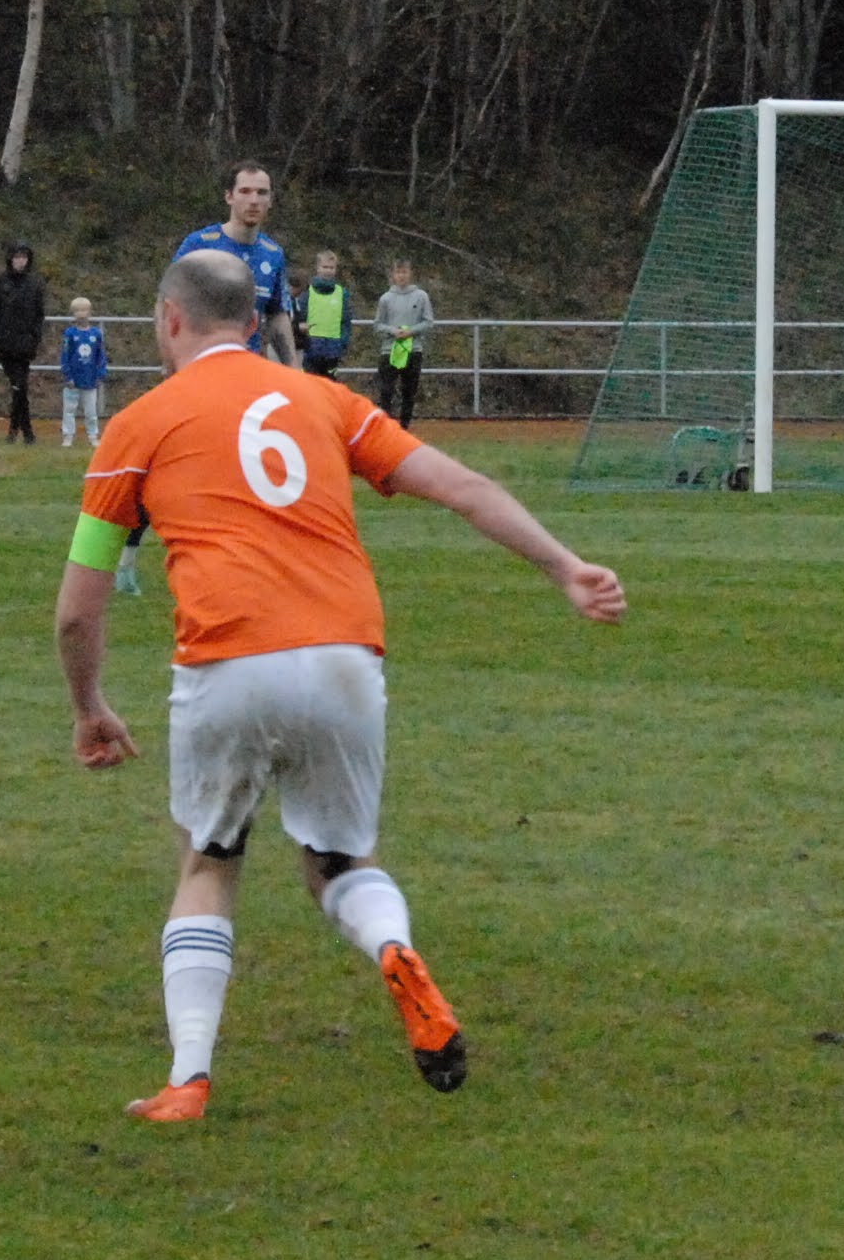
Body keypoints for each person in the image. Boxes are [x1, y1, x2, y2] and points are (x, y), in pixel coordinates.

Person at [57, 246, 626, 1124]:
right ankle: (391, 944)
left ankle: (188, 1079)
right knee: (337, 864)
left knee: (209, 864)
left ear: (169, 320)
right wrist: (564, 566)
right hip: (344, 659)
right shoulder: (326, 401)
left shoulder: (137, 426)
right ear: (256, 324)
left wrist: (89, 705)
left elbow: (77, 611)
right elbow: (462, 486)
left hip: (227, 659)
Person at [172, 160, 293, 366]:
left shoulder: (273, 254)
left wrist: (294, 369)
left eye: (262, 193)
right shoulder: (199, 245)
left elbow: (277, 315)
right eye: (245, 191)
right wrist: (172, 361)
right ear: (229, 196)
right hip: (200, 368)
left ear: (271, 200)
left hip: (247, 369)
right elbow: (169, 305)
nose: (254, 200)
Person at [0, 242, 48, 444]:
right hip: (5, 345)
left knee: (19, 386)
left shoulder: (35, 284)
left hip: (25, 345)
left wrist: (34, 337)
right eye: (17, 257)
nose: (21, 261)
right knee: (19, 386)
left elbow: (39, 315)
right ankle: (25, 432)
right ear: (10, 259)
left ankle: (16, 432)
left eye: (24, 257)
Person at [374, 256, 434, 428]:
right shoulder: (385, 299)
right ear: (393, 274)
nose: (401, 276)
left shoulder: (421, 296)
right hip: (389, 350)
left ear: (410, 273)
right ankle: (386, 426)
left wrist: (411, 331)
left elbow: (428, 322)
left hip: (413, 349)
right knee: (386, 390)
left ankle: (404, 426)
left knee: (409, 390)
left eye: (404, 272)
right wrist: (393, 331)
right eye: (398, 272)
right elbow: (378, 324)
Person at [60, 296, 111, 448]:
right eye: (77, 311)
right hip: (73, 379)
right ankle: (68, 435)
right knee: (69, 409)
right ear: (73, 313)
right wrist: (67, 375)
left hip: (90, 378)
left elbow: (100, 355)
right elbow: (65, 355)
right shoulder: (70, 333)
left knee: (91, 411)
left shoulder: (96, 334)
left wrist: (101, 373)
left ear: (89, 312)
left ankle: (93, 435)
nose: (81, 314)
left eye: (84, 310)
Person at [296, 250, 353, 382]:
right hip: (311, 349)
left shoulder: (342, 293)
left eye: (331, 268)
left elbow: (346, 321)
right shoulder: (307, 292)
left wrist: (342, 343)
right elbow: (299, 318)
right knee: (310, 386)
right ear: (317, 268)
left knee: (330, 387)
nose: (328, 271)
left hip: (333, 349)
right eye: (325, 267)